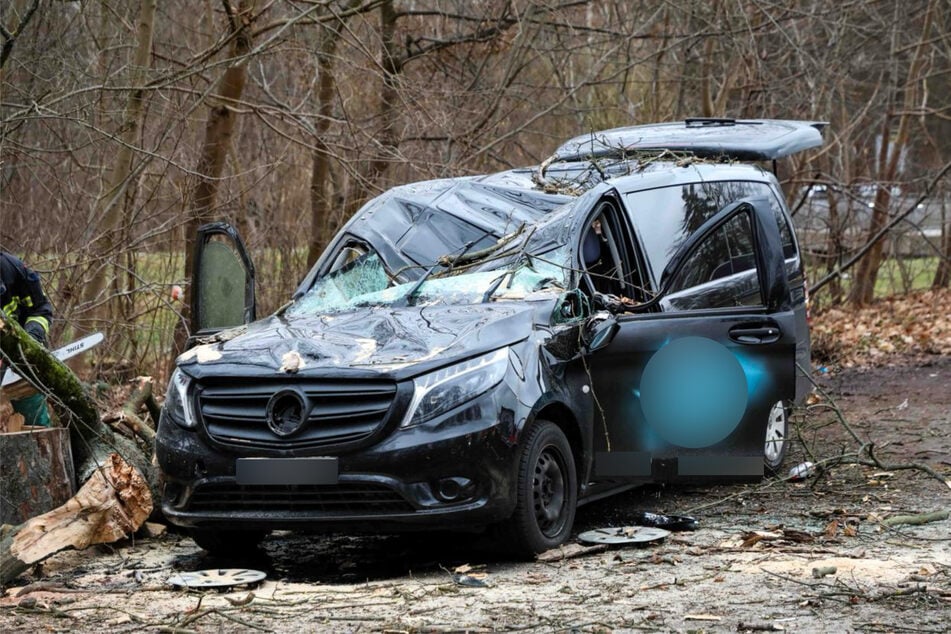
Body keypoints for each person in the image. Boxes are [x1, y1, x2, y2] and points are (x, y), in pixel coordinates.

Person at [1, 251, 53, 426]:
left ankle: (40, 438)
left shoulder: (14, 269)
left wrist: (31, 338)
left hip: (16, 358)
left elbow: (41, 309)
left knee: (28, 395)